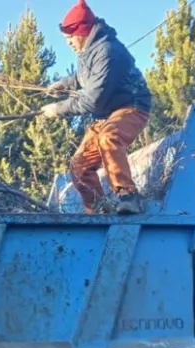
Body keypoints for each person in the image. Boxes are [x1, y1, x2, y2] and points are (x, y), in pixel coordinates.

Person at [39, 0, 153, 215]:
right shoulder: (89, 49)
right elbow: (87, 76)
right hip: (106, 115)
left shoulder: (108, 51)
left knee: (109, 138)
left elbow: (93, 100)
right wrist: (66, 83)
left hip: (131, 106)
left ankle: (128, 196)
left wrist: (58, 109)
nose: (68, 43)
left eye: (70, 37)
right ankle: (99, 210)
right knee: (79, 166)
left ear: (82, 31)